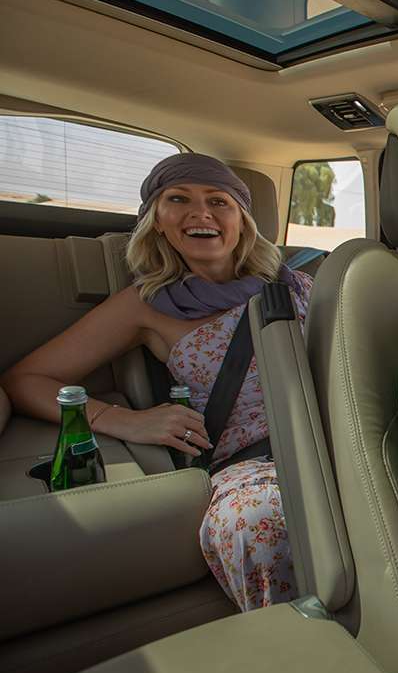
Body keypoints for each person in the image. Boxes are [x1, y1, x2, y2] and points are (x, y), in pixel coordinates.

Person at [1, 153, 311, 611]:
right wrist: (122, 420)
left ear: (242, 221)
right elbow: (26, 379)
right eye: (178, 199)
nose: (201, 213)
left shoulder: (301, 283)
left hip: (336, 441)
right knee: (253, 523)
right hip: (253, 464)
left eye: (219, 201)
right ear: (157, 221)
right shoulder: (145, 304)